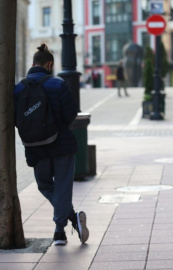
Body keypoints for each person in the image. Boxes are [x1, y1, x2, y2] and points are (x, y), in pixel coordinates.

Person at [14, 43, 89, 246]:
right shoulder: (58, 84)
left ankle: (60, 232)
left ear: (33, 64)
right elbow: (71, 114)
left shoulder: (19, 88)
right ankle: (68, 223)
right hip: (61, 145)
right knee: (63, 187)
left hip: (35, 148)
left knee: (46, 185)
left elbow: (15, 118)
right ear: (50, 64)